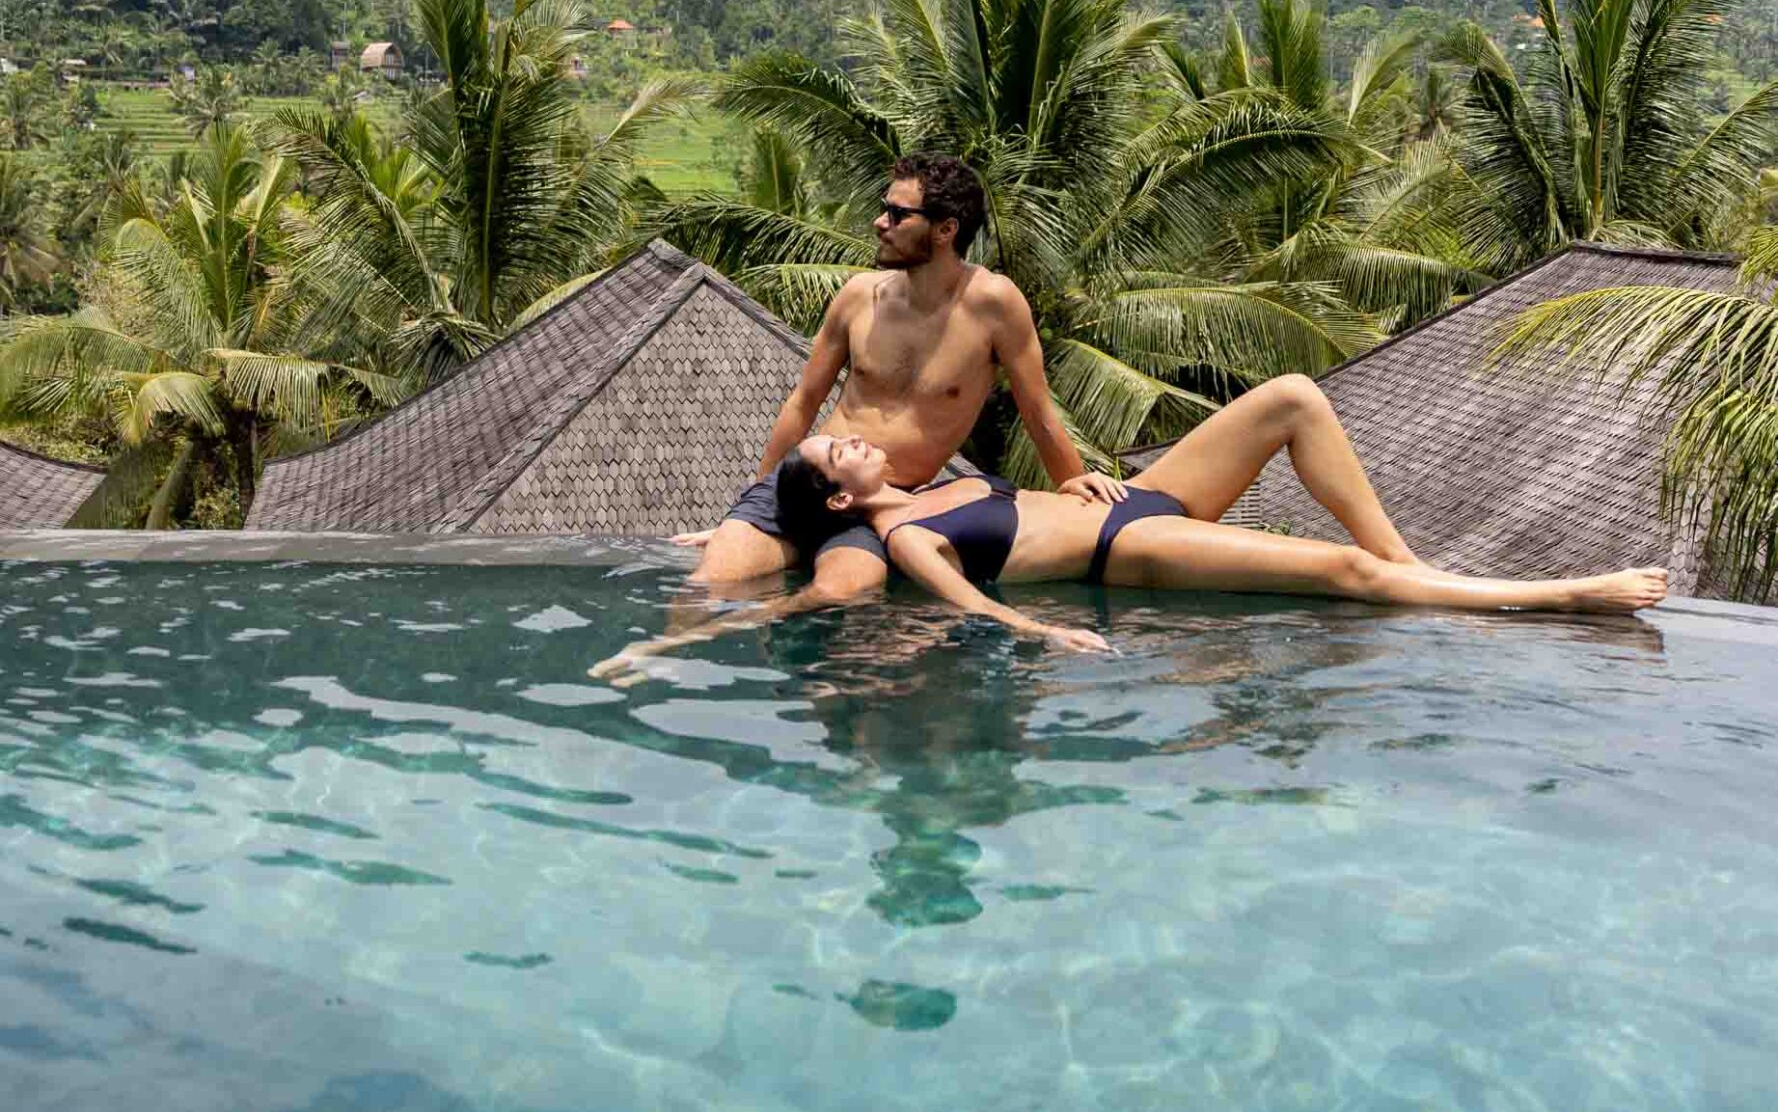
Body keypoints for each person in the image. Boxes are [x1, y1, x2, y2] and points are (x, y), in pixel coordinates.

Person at [593, 372, 1664, 681]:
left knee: (1291, 394)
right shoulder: (897, 541)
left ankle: (1412, 563)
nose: (859, 438)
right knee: (1336, 570)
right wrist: (660, 638)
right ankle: (1559, 593)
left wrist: (1088, 476)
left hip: (1135, 495)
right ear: (834, 500)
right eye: (842, 453)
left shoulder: (936, 486)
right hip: (1131, 547)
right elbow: (960, 606)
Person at [684, 152, 1123, 614]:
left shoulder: (993, 303)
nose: (879, 222)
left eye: (897, 214)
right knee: (709, 583)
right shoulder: (859, 296)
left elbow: (1036, 412)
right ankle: (645, 660)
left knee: (843, 594)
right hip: (807, 486)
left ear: (945, 230)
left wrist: (1074, 483)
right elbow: (803, 402)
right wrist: (758, 499)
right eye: (884, 208)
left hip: (874, 509)